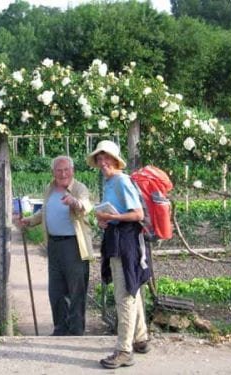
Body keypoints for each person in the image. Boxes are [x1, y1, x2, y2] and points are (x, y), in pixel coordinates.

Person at [86, 140, 151, 369]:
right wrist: (105, 220)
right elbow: (117, 211)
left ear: (115, 160)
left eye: (107, 158)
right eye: (99, 159)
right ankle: (140, 338)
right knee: (131, 289)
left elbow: (137, 214)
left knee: (124, 294)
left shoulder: (121, 180)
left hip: (126, 244)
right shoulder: (109, 181)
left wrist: (113, 218)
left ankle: (124, 351)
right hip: (117, 240)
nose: (103, 163)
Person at [20, 155, 94, 336]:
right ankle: (60, 329)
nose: (63, 174)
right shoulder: (50, 189)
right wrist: (29, 221)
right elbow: (45, 212)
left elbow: (85, 205)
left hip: (73, 246)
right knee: (56, 290)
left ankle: (76, 331)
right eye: (59, 170)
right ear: (53, 172)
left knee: (76, 290)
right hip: (53, 245)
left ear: (72, 171)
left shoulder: (78, 189)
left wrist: (74, 202)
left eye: (66, 170)